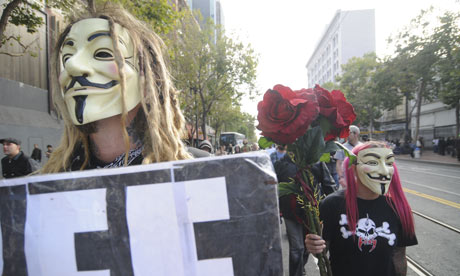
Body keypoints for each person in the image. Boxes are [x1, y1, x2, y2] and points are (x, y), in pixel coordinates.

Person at [41, 4, 206, 174]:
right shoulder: (48, 183)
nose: (72, 66)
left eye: (102, 54)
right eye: (67, 57)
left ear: (149, 78)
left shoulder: (200, 171)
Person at [305, 141, 417, 276]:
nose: (384, 170)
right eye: (372, 162)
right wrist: (314, 246)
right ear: (354, 167)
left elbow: (399, 256)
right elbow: (321, 253)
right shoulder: (331, 205)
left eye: (389, 163)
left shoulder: (398, 208)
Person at [275, 154, 336, 276]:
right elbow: (272, 189)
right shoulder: (281, 164)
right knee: (297, 248)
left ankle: (300, 268)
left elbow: (328, 184)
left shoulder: (315, 161)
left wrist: (337, 207)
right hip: (290, 213)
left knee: (308, 246)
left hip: (312, 214)